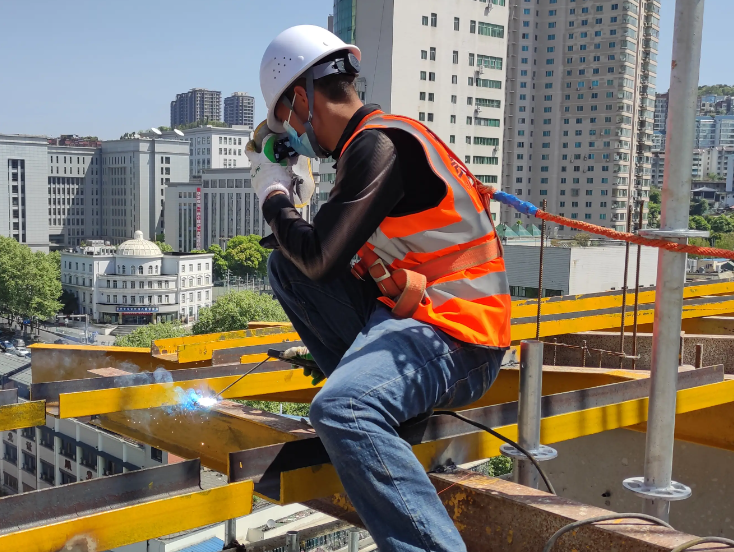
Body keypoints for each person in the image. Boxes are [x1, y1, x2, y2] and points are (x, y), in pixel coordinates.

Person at [246, 25, 511, 552]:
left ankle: (365, 412)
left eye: (289, 120)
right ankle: (378, 401)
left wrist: (274, 194)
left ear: (302, 97)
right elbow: (310, 258)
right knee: (284, 267)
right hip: (417, 318)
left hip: (461, 338)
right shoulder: (364, 148)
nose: (294, 135)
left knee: (339, 410)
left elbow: (321, 258)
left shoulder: (379, 145)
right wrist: (292, 195)